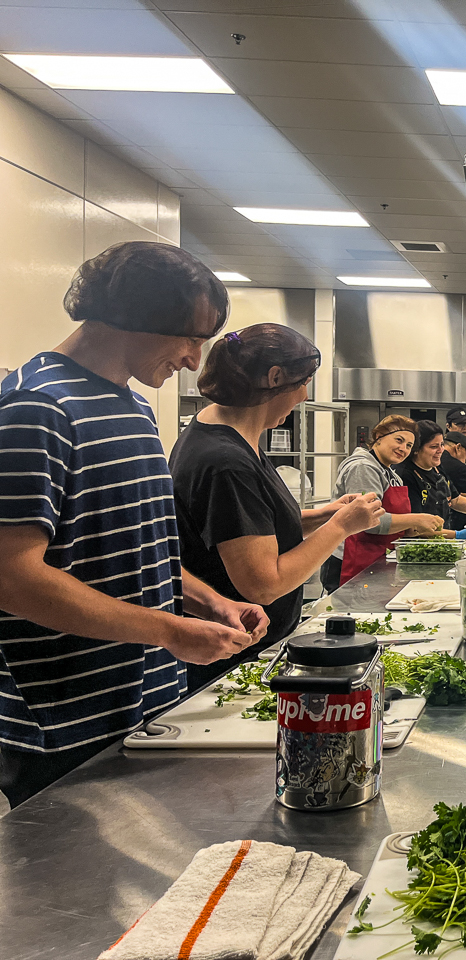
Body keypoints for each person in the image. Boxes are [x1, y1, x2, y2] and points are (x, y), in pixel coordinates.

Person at [0, 241, 269, 807]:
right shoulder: (37, 408)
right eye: (190, 338)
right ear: (130, 316)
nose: (195, 361)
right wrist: (169, 630)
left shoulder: (135, 408)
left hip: (147, 700)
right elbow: (14, 579)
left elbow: (135, 547)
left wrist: (205, 601)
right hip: (65, 720)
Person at [169, 324, 385, 689]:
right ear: (274, 378)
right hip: (231, 659)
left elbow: (249, 530)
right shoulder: (225, 461)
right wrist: (341, 527)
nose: (303, 397)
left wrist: (324, 515)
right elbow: (263, 585)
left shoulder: (232, 438)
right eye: (303, 384)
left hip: (254, 648)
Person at [320, 416, 442, 592]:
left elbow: (391, 520)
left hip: (375, 559)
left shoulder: (392, 475)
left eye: (409, 445)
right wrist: (417, 519)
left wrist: (411, 529)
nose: (403, 449)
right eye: (399, 440)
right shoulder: (363, 467)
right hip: (350, 561)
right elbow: (368, 522)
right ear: (378, 436)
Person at [399, 420, 466, 539]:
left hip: (440, 540)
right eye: (434, 446)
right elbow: (414, 528)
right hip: (418, 546)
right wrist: (456, 535)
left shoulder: (437, 467)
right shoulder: (406, 476)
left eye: (442, 445)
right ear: (416, 449)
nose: (441, 450)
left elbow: (455, 500)